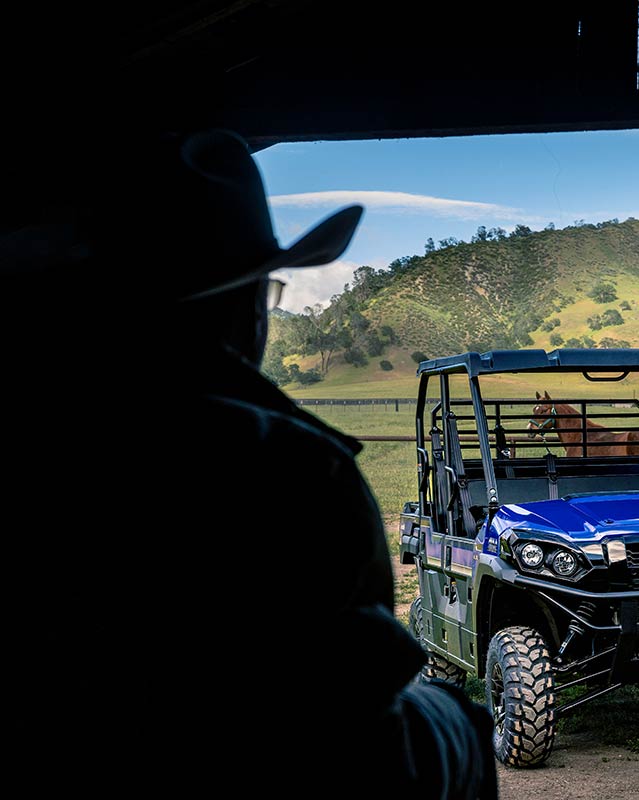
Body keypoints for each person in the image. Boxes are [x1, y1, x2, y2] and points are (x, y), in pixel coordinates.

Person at [140, 129, 495, 789]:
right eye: (265, 294)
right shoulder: (288, 474)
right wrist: (456, 725)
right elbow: (362, 756)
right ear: (242, 306)